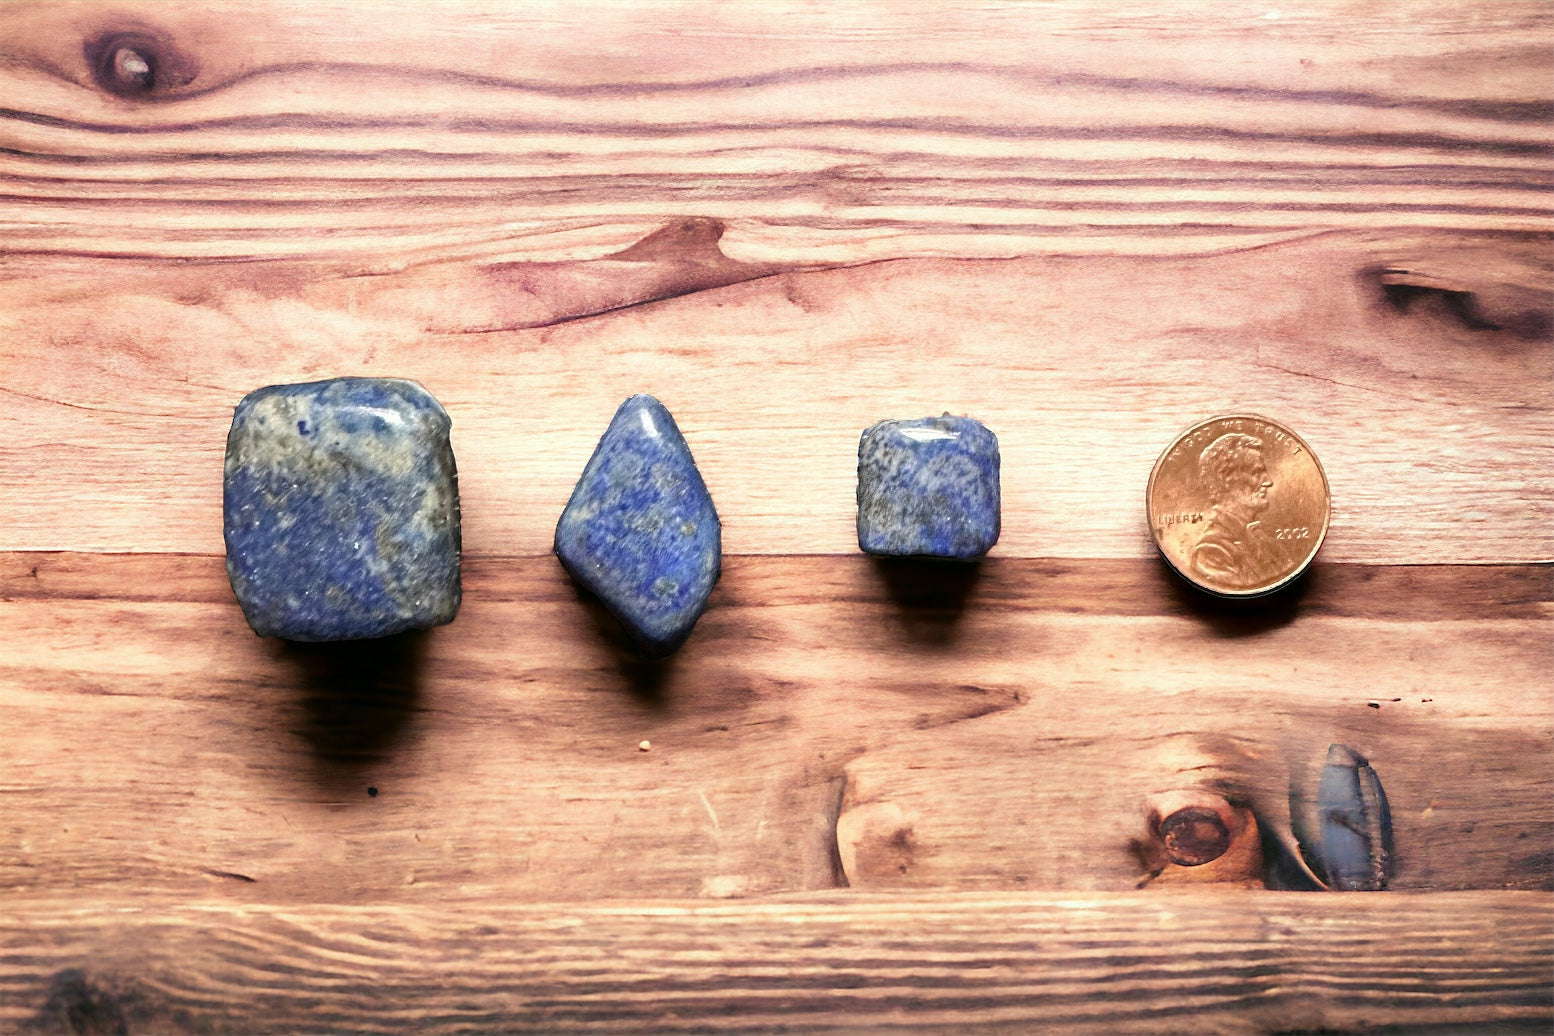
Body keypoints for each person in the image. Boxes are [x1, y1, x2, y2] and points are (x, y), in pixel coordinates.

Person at [1191, 432, 1282, 589]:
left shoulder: (1263, 538)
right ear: (1226, 478)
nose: (1268, 482)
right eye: (1256, 472)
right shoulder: (1212, 552)